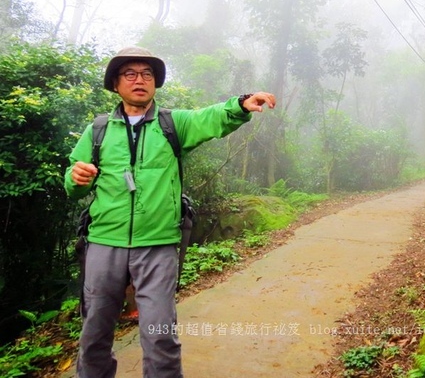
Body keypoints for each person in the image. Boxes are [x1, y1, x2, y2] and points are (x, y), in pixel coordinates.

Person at [65, 46, 276, 378]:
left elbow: (209, 118)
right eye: (130, 74)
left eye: (147, 74)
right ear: (116, 84)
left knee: (160, 336)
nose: (140, 80)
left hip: (158, 245)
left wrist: (240, 104)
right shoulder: (98, 130)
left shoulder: (172, 124)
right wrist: (75, 178)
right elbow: (73, 181)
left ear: (155, 83)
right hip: (104, 244)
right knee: (94, 336)